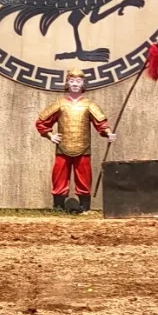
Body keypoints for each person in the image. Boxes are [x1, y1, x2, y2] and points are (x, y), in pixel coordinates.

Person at [35, 68, 115, 213]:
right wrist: (50, 135)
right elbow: (41, 122)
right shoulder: (59, 103)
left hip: (83, 147)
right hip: (62, 147)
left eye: (78, 81)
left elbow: (101, 124)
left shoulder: (89, 104)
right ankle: (58, 206)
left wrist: (108, 133)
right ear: (67, 83)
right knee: (59, 176)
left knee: (84, 176)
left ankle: (84, 207)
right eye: (72, 81)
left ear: (83, 84)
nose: (75, 84)